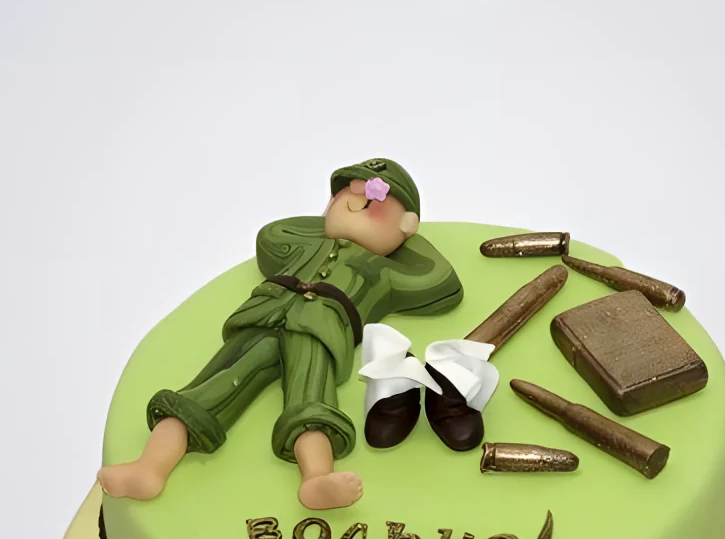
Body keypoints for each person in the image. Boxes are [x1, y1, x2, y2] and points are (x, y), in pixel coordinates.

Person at [97, 158, 468, 510]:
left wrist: (401, 236)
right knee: (206, 391)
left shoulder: (383, 272)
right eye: (348, 192)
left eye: (374, 198)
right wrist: (335, 219)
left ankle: (316, 479)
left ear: (406, 225)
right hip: (263, 314)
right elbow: (272, 235)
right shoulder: (306, 244)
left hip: (321, 328)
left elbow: (441, 281)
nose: (358, 197)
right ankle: (149, 468)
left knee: (310, 402)